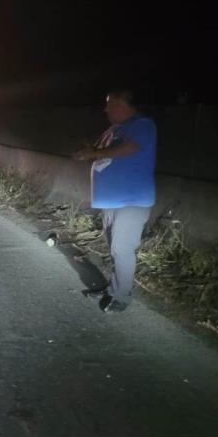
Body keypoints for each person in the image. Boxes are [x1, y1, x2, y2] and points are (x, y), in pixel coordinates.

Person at [73, 89, 157, 313]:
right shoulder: (114, 129)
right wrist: (89, 151)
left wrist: (93, 154)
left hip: (132, 200)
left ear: (123, 104)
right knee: (115, 248)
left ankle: (121, 296)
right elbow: (100, 151)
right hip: (112, 201)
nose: (106, 109)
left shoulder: (142, 125)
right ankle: (113, 288)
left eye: (110, 104)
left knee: (122, 248)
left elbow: (129, 149)